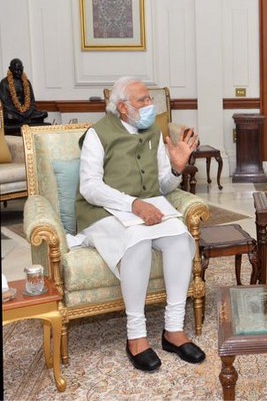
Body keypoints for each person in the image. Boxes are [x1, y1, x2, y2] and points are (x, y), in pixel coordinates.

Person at [75, 76, 205, 371]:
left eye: (150, 99)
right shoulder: (98, 134)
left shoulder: (154, 134)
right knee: (138, 243)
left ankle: (173, 330)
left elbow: (161, 186)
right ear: (122, 107)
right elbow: (90, 187)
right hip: (103, 211)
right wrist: (132, 204)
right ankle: (136, 337)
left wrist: (176, 167)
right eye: (143, 100)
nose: (151, 105)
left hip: (146, 206)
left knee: (180, 238)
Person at [0, 58, 48, 127]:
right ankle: (26, 122)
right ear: (10, 69)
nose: (19, 72)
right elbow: (6, 105)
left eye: (20, 70)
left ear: (23, 68)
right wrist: (19, 113)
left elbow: (32, 102)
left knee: (44, 114)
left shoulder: (27, 82)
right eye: (16, 70)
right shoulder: (4, 83)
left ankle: (23, 122)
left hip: (27, 113)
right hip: (14, 113)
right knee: (9, 116)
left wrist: (28, 112)